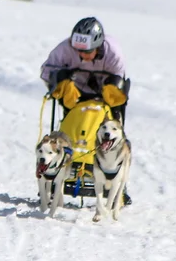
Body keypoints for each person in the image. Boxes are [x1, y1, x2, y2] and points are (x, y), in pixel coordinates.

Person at [40, 17, 131, 204]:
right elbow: (46, 71)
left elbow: (119, 81)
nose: (82, 56)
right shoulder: (64, 49)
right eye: (78, 51)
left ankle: (115, 174)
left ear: (98, 46)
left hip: (105, 94)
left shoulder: (114, 54)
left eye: (87, 51)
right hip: (76, 96)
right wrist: (58, 79)